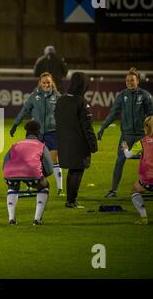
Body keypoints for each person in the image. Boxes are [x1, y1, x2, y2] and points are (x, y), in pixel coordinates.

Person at [97, 67, 153, 198]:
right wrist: (103, 127)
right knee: (120, 160)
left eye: (132, 80)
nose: (130, 82)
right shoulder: (122, 96)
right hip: (126, 135)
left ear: (138, 81)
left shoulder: (144, 95)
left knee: (150, 162)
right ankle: (113, 190)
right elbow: (113, 114)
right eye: (127, 80)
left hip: (142, 136)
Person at [10, 72, 63, 195]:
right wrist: (15, 124)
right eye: (44, 82)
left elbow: (64, 114)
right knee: (32, 160)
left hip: (52, 132)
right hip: (37, 133)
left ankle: (60, 188)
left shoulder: (57, 96)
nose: (46, 85)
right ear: (40, 83)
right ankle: (30, 185)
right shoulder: (34, 96)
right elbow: (24, 111)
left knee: (54, 159)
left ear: (52, 83)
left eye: (48, 82)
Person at [55, 72, 97, 208]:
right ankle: (71, 201)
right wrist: (93, 144)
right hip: (78, 144)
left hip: (64, 142)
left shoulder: (61, 100)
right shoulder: (81, 102)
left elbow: (58, 120)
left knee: (72, 171)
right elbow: (87, 127)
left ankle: (70, 200)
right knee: (77, 170)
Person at [3, 120, 53, 225]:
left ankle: (11, 219)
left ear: (26, 133)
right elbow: (49, 169)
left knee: (12, 187)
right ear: (38, 133)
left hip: (10, 173)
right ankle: (37, 219)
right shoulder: (41, 145)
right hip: (33, 173)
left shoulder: (15, 144)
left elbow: (5, 163)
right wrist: (41, 175)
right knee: (44, 186)